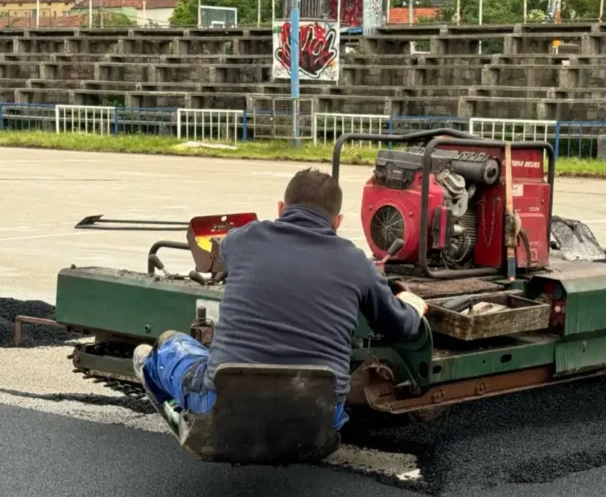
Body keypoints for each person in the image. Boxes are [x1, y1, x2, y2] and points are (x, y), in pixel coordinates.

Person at [132, 168, 428, 434]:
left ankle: (187, 420)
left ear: (280, 208)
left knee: (167, 347)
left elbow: (218, 253)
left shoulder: (244, 239)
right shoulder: (356, 262)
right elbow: (400, 326)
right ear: (337, 222)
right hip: (322, 415)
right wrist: (412, 306)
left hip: (226, 403)